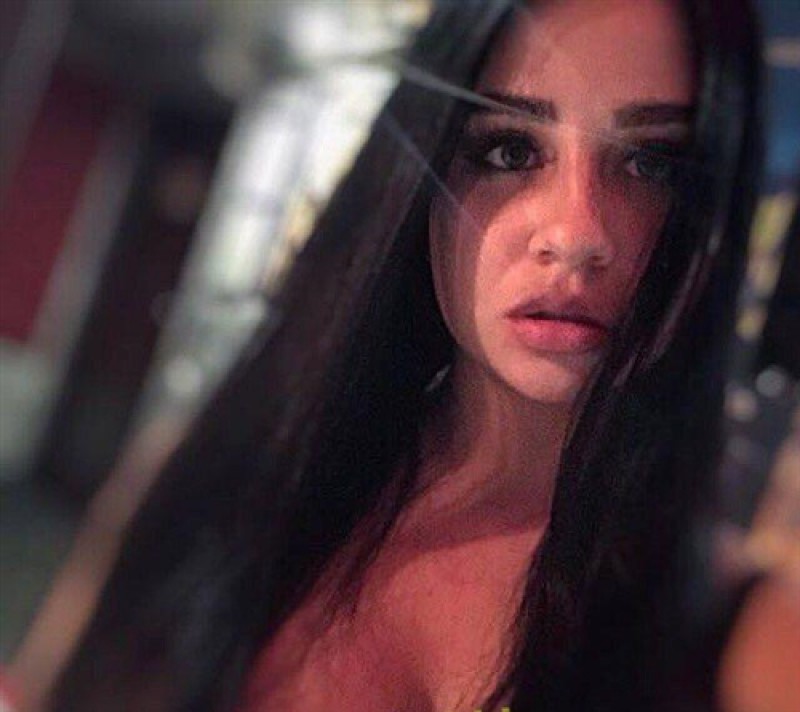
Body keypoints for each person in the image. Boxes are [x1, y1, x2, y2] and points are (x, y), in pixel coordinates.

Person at [47, 1, 797, 711]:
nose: (575, 233)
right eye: (509, 149)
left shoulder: (749, 647)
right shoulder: (220, 476)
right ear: (424, 176)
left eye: (654, 164)